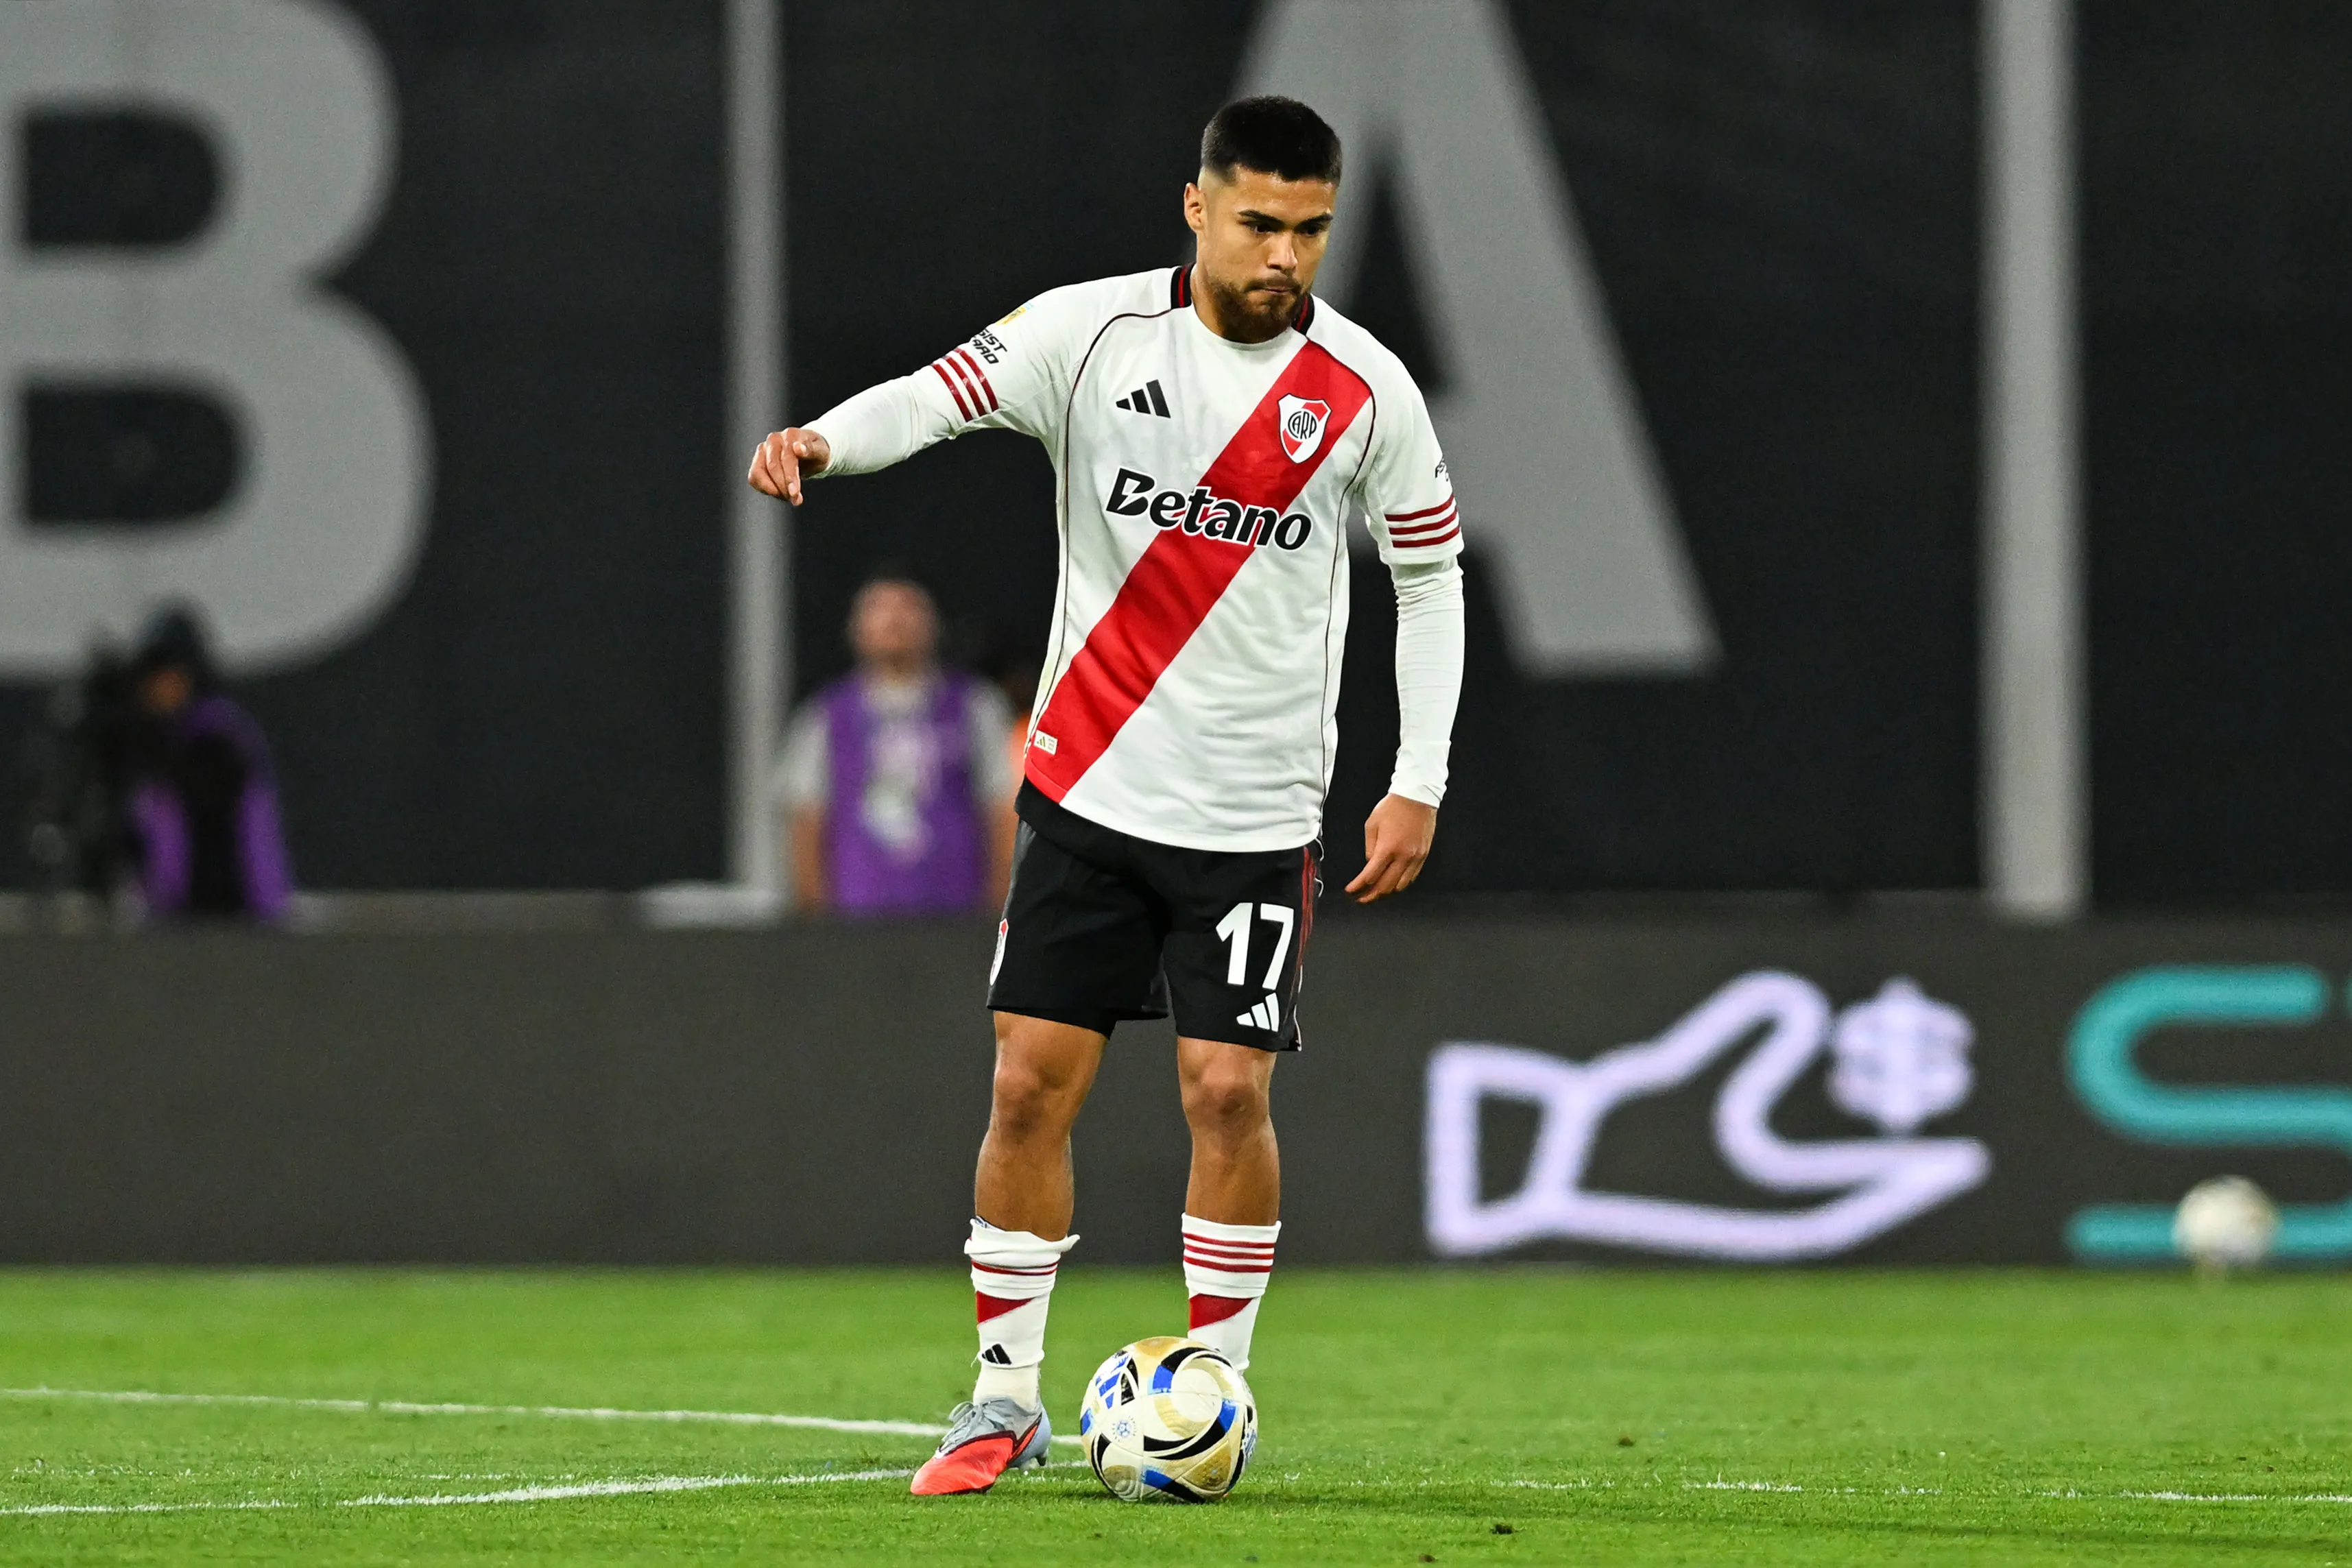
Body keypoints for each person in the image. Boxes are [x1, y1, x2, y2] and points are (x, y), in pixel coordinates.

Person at [748, 95, 1465, 1497]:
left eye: (1310, 231)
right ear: (1195, 207)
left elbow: (1428, 577)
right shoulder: (1088, 336)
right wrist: (823, 442)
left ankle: (1213, 1389)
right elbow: (936, 396)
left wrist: (1415, 779)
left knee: (1222, 1093)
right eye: (1258, 223)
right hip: (1086, 788)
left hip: (1255, 814)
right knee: (1026, 1087)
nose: (1283, 257)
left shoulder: (1364, 390)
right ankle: (1002, 1396)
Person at [774, 575, 1018, 916]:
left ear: (933, 625)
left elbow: (1004, 809)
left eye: (908, 608)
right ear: (855, 628)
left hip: (957, 916)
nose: (895, 620)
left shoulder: (976, 708)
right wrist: (816, 915)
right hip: (856, 920)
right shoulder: (824, 718)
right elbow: (805, 820)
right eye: (880, 609)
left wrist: (1000, 903)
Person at [123, 606, 293, 924]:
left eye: (170, 677)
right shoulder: (159, 744)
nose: (161, 691)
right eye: (154, 680)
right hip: (180, 922)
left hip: (234, 920)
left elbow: (213, 806)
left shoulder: (221, 739)